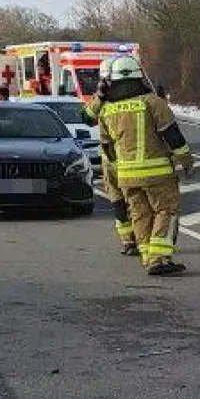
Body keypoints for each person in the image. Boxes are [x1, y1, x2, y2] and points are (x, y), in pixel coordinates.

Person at [96, 55, 194, 276]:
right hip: (157, 173)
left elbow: (106, 145)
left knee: (140, 215)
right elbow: (172, 134)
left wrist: (118, 170)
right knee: (166, 210)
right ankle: (159, 259)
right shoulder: (153, 102)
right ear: (139, 75)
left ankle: (148, 257)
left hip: (126, 176)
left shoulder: (107, 109)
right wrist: (186, 161)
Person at [82, 59, 139, 255]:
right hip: (126, 160)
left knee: (122, 203)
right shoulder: (136, 95)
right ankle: (132, 241)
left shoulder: (106, 100)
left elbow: (87, 118)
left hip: (115, 160)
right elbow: (87, 118)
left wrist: (99, 95)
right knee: (127, 203)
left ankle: (131, 241)